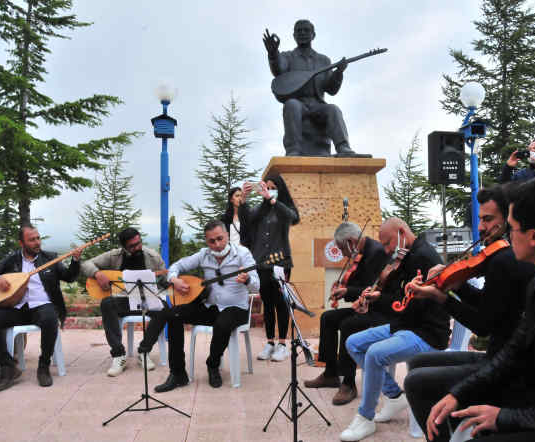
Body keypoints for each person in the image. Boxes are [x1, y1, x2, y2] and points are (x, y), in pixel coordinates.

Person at [427, 176, 535, 442]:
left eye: (512, 229)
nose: (507, 237)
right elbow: (514, 351)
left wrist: (503, 417)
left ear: (532, 237)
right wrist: (458, 393)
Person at [403, 185, 535, 440]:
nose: (481, 227)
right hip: (499, 352)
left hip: (504, 364)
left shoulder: (505, 261)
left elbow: (483, 325)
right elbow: (489, 304)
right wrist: (459, 283)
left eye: (488, 219)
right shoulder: (504, 259)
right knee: (416, 362)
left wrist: (441, 297)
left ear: (509, 220)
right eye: (480, 219)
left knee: (415, 382)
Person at [339, 217, 450, 442]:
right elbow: (399, 299)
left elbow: (410, 306)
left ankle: (365, 418)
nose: (388, 250)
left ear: (401, 232)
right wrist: (376, 297)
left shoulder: (423, 257)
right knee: (353, 342)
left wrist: (380, 303)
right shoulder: (406, 257)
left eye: (388, 243)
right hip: (406, 324)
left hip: (427, 332)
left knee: (375, 354)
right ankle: (394, 395)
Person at [135, 220, 259, 391]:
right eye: (211, 241)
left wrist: (248, 280)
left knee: (222, 324)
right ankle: (178, 373)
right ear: (206, 241)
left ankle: (213, 365)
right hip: (211, 307)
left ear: (227, 236)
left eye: (220, 239)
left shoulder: (242, 254)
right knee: (172, 314)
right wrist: (174, 280)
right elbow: (176, 266)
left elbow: (257, 285)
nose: (216, 244)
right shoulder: (204, 254)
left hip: (236, 308)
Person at [0, 225, 82, 391]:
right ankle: (8, 367)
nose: (37, 243)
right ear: (22, 243)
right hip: (18, 308)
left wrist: (75, 261)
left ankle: (43, 366)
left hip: (42, 306)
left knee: (49, 319)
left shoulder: (50, 258)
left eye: (38, 238)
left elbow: (69, 277)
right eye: (32, 240)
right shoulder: (12, 259)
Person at [303, 222, 390, 405]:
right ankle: (330, 373)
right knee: (328, 317)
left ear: (351, 241)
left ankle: (349, 383)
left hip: (379, 309)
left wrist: (347, 291)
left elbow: (368, 289)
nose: (342, 253)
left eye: (342, 248)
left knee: (348, 325)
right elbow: (359, 288)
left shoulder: (376, 253)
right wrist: (345, 289)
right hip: (365, 306)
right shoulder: (361, 252)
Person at [80, 227, 169, 377]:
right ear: (124, 247)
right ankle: (118, 355)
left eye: (139, 243)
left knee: (164, 308)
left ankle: (144, 351)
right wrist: (98, 274)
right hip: (124, 299)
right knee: (107, 304)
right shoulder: (115, 255)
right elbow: (85, 264)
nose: (137, 247)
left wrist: (169, 282)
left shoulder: (153, 257)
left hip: (146, 298)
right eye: (132, 246)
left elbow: (164, 280)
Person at [263, 19, 356, 156]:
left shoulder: (323, 61)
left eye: (306, 30)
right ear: (294, 35)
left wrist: (338, 73)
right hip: (298, 103)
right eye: (298, 31)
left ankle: (343, 147)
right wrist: (273, 54)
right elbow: (278, 71)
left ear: (313, 35)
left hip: (318, 105)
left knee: (333, 109)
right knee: (291, 105)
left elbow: (331, 90)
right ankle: (293, 149)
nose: (302, 33)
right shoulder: (287, 57)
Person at [241, 174, 299, 362]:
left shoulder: (282, 208)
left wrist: (273, 200)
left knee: (281, 303)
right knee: (267, 302)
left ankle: (282, 344)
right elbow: (246, 222)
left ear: (279, 189)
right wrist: (243, 200)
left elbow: (293, 218)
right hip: (261, 263)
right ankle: (269, 342)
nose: (269, 189)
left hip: (280, 262)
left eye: (273, 187)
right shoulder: (260, 210)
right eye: (267, 186)